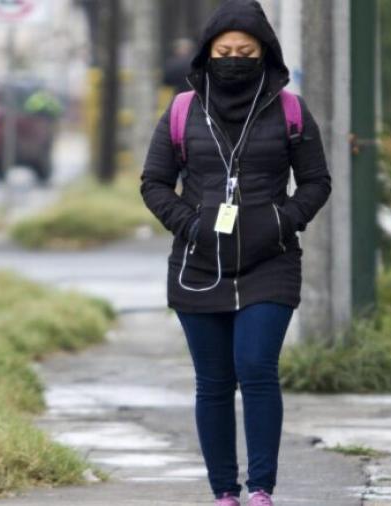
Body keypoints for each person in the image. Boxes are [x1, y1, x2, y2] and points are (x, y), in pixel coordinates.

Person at [140, 1, 331, 505]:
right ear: (207, 53)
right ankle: (225, 491)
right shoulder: (182, 109)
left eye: (245, 51)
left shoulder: (290, 109)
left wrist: (281, 221)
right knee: (214, 382)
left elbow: (316, 181)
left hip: (272, 260)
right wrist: (192, 225)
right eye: (224, 51)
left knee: (256, 366)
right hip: (199, 264)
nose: (234, 59)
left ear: (264, 53)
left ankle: (262, 489)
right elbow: (155, 183)